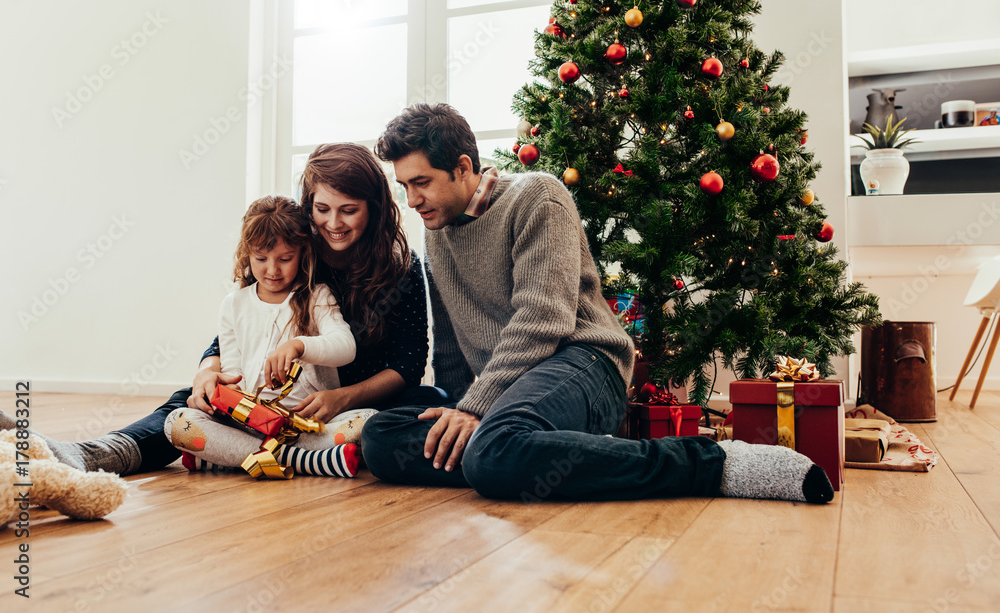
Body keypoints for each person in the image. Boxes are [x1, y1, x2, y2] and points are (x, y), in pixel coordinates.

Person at [361, 102, 835, 504]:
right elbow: (448, 344)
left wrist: (476, 411)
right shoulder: (437, 234)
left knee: (492, 451)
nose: (412, 199)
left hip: (584, 363)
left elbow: (544, 319)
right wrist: (459, 412)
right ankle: (555, 454)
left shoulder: (537, 196)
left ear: (462, 167)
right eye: (404, 186)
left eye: (420, 182)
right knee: (381, 440)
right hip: (507, 397)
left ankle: (712, 463)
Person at [0, 143, 445, 475]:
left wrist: (340, 397)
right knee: (187, 403)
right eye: (322, 209)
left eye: (349, 210)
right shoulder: (293, 253)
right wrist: (206, 373)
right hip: (271, 398)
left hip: (350, 401)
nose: (333, 223)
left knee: (422, 401)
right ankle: (89, 454)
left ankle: (245, 454)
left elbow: (407, 363)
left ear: (374, 208)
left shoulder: (400, 266)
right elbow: (238, 325)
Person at [163, 195, 366, 478]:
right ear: (247, 254)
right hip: (251, 423)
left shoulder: (317, 296)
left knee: (367, 421)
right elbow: (233, 371)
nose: (272, 270)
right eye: (261, 259)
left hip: (307, 420)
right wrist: (227, 399)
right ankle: (308, 461)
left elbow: (346, 348)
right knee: (177, 422)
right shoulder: (234, 304)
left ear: (303, 254)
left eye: (285, 259)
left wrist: (298, 345)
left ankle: (230, 458)